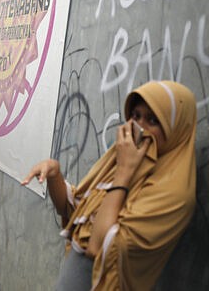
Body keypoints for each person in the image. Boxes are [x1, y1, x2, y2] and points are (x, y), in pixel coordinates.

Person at [22, 81, 197, 290]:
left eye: (153, 120)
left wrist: (123, 173)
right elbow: (76, 212)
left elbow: (98, 246)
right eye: (136, 116)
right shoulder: (127, 161)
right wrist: (54, 174)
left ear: (175, 129)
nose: (139, 127)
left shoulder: (172, 194)